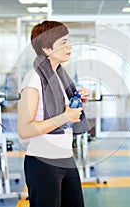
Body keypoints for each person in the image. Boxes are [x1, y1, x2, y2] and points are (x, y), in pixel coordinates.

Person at [17, 20, 91, 207]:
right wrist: (65, 117)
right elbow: (24, 130)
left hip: (66, 158)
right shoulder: (33, 79)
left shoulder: (59, 75)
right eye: (63, 42)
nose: (69, 46)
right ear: (47, 49)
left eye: (68, 41)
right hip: (43, 163)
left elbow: (64, 113)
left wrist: (78, 103)